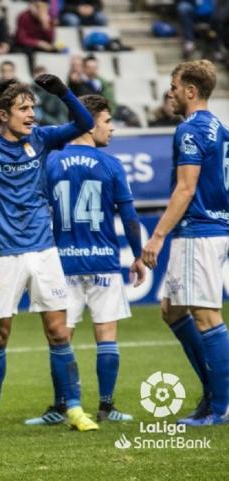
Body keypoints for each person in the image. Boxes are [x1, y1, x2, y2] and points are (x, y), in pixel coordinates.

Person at [0, 74, 100, 434]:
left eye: (33, 107)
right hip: (3, 253)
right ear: (3, 115)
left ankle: (75, 408)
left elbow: (85, 123)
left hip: (43, 250)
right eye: (23, 109)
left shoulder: (43, 139)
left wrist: (62, 91)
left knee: (59, 332)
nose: (32, 115)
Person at [24, 94, 146, 426]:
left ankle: (61, 406)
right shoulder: (111, 165)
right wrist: (137, 255)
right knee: (106, 335)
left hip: (61, 264)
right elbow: (130, 216)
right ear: (91, 125)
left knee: (61, 337)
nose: (113, 129)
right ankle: (106, 407)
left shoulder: (50, 162)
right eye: (108, 122)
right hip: (104, 261)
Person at [142, 60, 229, 426]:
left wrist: (157, 236)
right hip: (213, 227)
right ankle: (213, 391)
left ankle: (222, 407)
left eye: (174, 86)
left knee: (207, 316)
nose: (170, 93)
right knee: (172, 310)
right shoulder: (220, 128)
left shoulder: (190, 130)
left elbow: (186, 187)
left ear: (191, 91)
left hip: (199, 229)